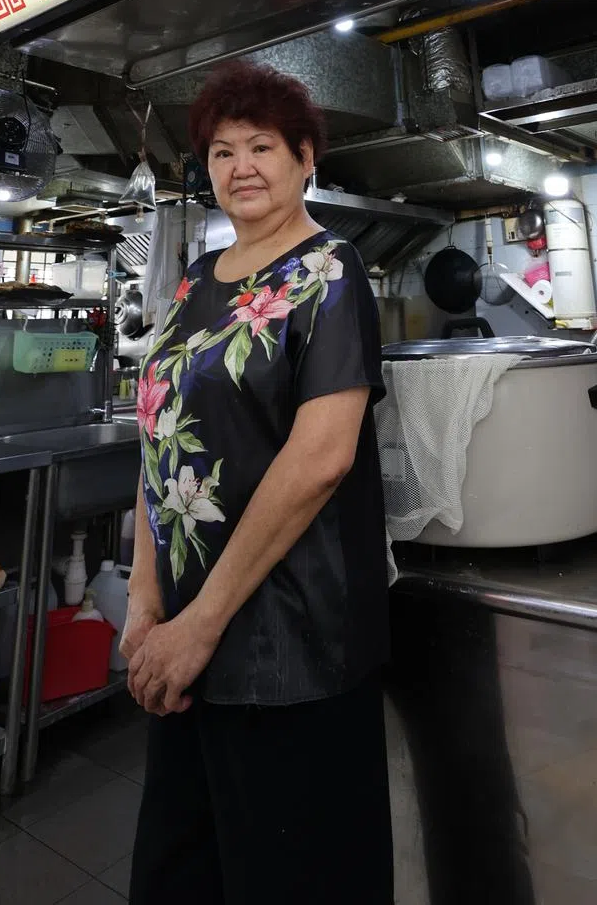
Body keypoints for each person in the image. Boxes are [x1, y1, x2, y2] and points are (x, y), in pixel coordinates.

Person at [122, 61, 393, 905]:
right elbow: (158, 434)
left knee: (291, 877)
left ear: (306, 158)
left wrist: (198, 626)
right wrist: (144, 598)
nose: (240, 166)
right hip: (188, 639)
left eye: (262, 146)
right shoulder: (195, 281)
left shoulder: (332, 272)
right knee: (179, 872)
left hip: (287, 645)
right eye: (222, 150)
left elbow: (321, 459)